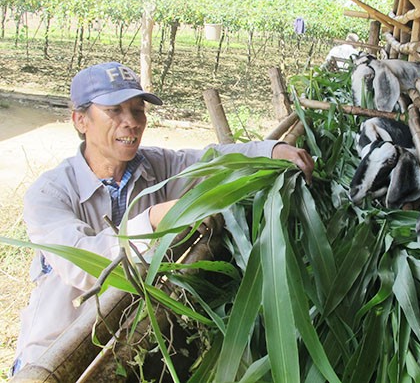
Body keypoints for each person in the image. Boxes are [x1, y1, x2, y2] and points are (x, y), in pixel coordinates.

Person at [11, 61, 314, 375]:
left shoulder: (156, 166)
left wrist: (273, 150)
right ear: (80, 120)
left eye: (138, 110)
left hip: (131, 346)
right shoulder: (49, 193)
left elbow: (214, 158)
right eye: (115, 110)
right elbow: (86, 265)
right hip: (59, 358)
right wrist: (153, 218)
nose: (132, 122)